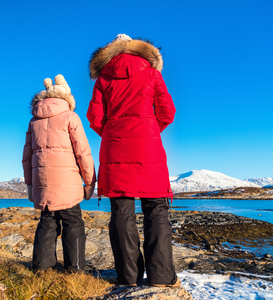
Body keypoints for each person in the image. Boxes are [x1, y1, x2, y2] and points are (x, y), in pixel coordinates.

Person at [87, 34, 179, 287]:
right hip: (148, 147)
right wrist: (148, 129)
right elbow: (167, 112)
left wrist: (115, 131)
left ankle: (128, 278)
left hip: (115, 147)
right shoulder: (151, 73)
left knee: (121, 213)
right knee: (157, 211)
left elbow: (94, 118)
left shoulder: (104, 78)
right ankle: (161, 278)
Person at [22, 74, 96, 272]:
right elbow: (83, 152)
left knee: (47, 222)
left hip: (42, 183)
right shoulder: (70, 116)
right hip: (68, 184)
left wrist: (30, 186)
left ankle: (42, 268)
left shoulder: (33, 121)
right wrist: (89, 182)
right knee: (73, 223)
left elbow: (27, 157)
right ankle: (76, 269)